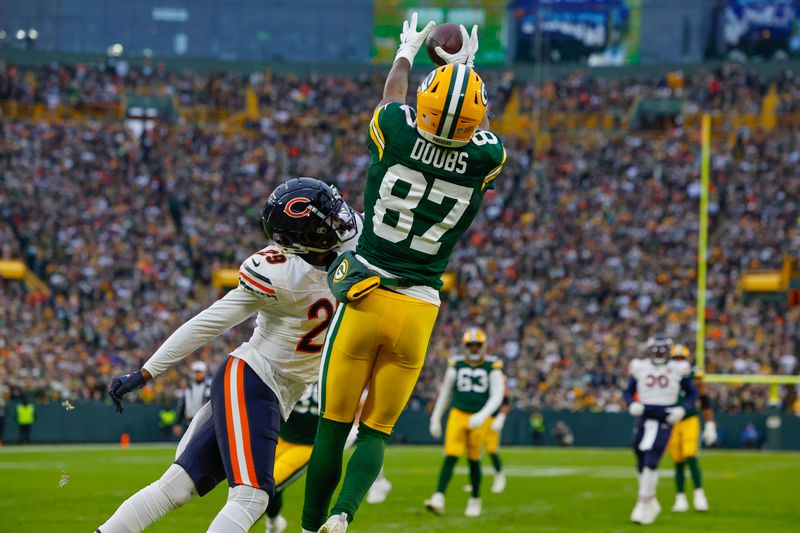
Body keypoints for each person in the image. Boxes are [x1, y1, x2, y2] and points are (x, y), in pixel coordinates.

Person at [300, 13, 506, 533]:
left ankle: (308, 526)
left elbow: (395, 97)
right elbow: (475, 128)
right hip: (419, 308)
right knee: (375, 431)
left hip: (366, 291)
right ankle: (344, 515)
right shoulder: (488, 156)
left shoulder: (394, 128)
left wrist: (407, 52)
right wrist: (468, 69)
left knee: (331, 427)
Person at [96, 178, 360, 533]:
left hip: (280, 392)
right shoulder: (276, 272)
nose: (338, 222)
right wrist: (147, 372)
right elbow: (208, 322)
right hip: (253, 378)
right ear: (304, 237)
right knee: (252, 496)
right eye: (324, 220)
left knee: (177, 487)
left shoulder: (357, 241)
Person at [265, 385, 392, 533]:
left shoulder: (334, 371)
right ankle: (274, 522)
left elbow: (361, 401)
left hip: (309, 445)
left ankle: (273, 524)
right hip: (281, 436)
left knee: (269, 483)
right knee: (258, 481)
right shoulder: (301, 366)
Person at [425, 327, 504, 518]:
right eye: (471, 345)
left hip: (479, 417)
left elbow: (497, 395)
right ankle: (438, 496)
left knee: (474, 459)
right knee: (450, 455)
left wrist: (483, 415)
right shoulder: (456, 364)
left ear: (484, 346)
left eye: (477, 345)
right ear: (465, 345)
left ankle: (475, 499)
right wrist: (436, 417)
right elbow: (445, 393)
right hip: (458, 414)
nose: (474, 349)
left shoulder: (492, 366)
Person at [624, 336, 697, 525]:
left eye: (661, 350)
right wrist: (632, 403)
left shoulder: (678, 368)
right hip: (644, 415)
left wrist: (682, 409)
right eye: (655, 350)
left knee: (652, 458)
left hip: (665, 416)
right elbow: (628, 390)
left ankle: (642, 502)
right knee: (639, 453)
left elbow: (692, 393)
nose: (658, 354)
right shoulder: (639, 366)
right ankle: (651, 499)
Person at [666, 344, 717, 513]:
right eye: (676, 358)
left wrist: (710, 424)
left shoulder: (693, 374)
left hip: (689, 419)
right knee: (678, 460)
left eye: (681, 359)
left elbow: (704, 398)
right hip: (672, 421)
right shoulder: (664, 373)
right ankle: (680, 497)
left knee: (690, 456)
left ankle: (699, 494)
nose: (679, 362)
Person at [176, 361, 212, 426]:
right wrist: (178, 423)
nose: (197, 374)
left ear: (204, 372)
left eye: (199, 372)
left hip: (204, 421)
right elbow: (183, 405)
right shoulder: (188, 387)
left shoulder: (209, 386)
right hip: (189, 421)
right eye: (196, 372)